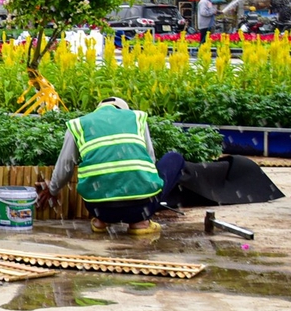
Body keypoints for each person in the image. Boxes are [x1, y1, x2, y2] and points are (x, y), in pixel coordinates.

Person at [35, 97, 183, 235]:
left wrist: (52, 190)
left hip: (98, 208)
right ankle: (140, 222)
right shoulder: (136, 118)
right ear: (124, 110)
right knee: (174, 158)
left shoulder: (79, 124)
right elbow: (150, 160)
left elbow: (65, 166)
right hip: (141, 207)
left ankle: (101, 221)